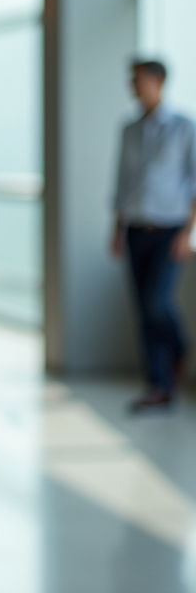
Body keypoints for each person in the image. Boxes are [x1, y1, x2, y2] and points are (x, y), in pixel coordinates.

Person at [111, 58, 196, 413]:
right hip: (135, 228)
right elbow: (122, 182)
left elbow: (194, 182)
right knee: (142, 311)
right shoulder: (129, 129)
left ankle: (178, 348)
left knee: (156, 302)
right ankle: (158, 385)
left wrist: (188, 234)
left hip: (169, 229)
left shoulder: (183, 127)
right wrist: (116, 228)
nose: (133, 86)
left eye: (139, 79)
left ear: (158, 81)